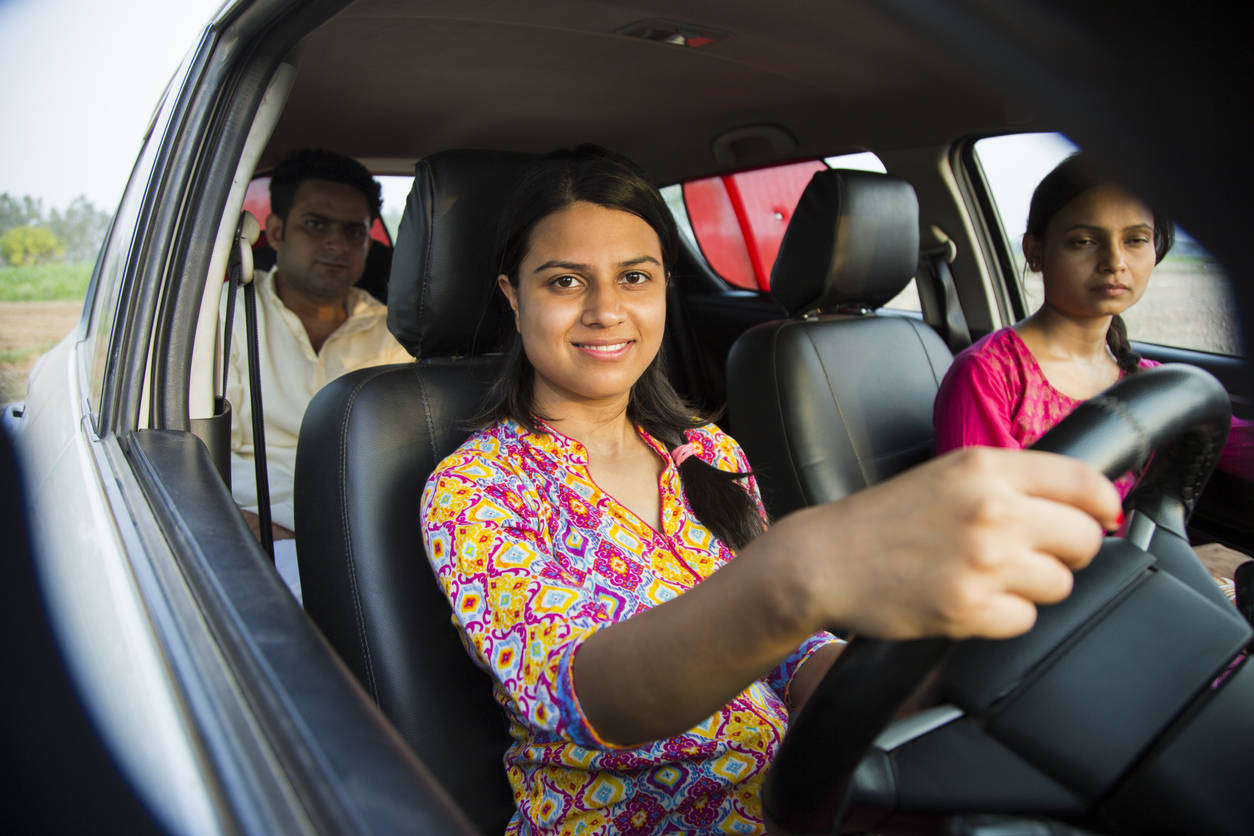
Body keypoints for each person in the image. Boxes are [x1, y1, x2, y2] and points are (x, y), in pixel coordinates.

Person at [420, 146, 1121, 835]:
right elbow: (577, 696)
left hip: (795, 795)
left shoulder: (708, 451)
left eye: (634, 278)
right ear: (514, 297)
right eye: (565, 283)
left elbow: (795, 656)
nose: (606, 311)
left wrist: (930, 678)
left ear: (665, 286)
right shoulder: (476, 490)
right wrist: (796, 571)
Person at [933, 153, 1252, 590]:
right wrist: (1168, 560)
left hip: (1128, 582)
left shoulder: (1146, 381)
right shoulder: (989, 376)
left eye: (1136, 240)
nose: (1114, 261)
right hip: (1038, 606)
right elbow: (992, 535)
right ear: (1036, 251)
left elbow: (1240, 444)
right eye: (1085, 241)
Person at [224, 149, 412, 598]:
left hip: (371, 547)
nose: (337, 244)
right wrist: (254, 533)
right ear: (275, 232)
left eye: (353, 231)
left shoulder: (395, 334)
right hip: (250, 543)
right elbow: (197, 463)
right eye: (316, 224)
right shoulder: (225, 318)